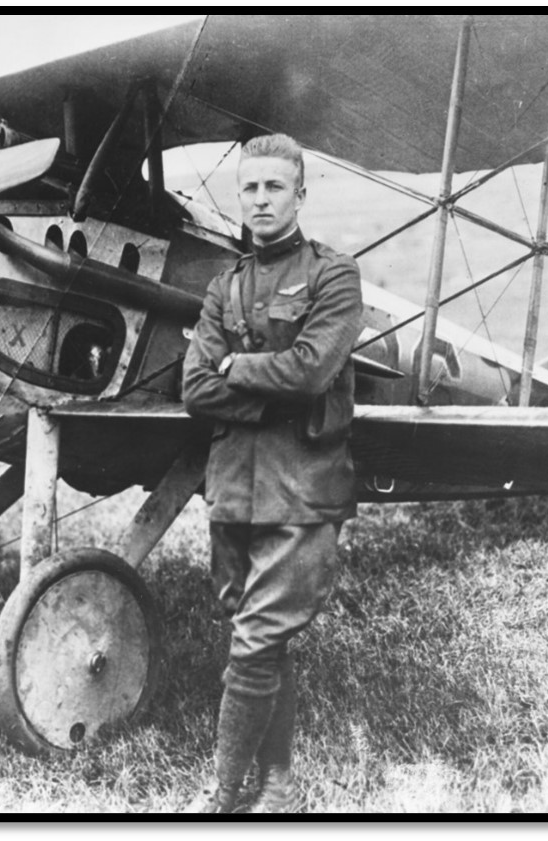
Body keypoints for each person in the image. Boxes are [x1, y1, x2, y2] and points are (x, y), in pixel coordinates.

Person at [180, 133, 363, 813]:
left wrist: (236, 367)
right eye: (250, 187)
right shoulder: (222, 286)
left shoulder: (333, 276)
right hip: (233, 489)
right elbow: (194, 387)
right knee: (258, 635)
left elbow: (313, 370)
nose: (261, 199)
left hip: (301, 487)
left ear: (300, 195)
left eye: (274, 187)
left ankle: (223, 794)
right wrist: (265, 387)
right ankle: (278, 784)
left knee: (255, 641)